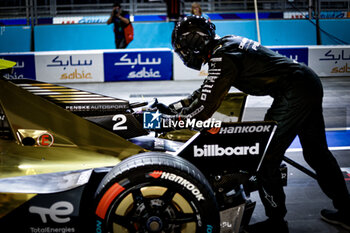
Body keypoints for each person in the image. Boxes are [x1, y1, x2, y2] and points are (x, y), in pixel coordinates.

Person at [163, 15, 350, 233]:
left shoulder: (223, 57)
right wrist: (173, 108)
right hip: (305, 83)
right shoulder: (226, 46)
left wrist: (172, 120)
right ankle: (347, 211)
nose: (183, 53)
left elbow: (203, 108)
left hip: (295, 91)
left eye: (182, 48)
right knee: (317, 154)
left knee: (265, 158)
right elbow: (202, 94)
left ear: (193, 42)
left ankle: (276, 223)